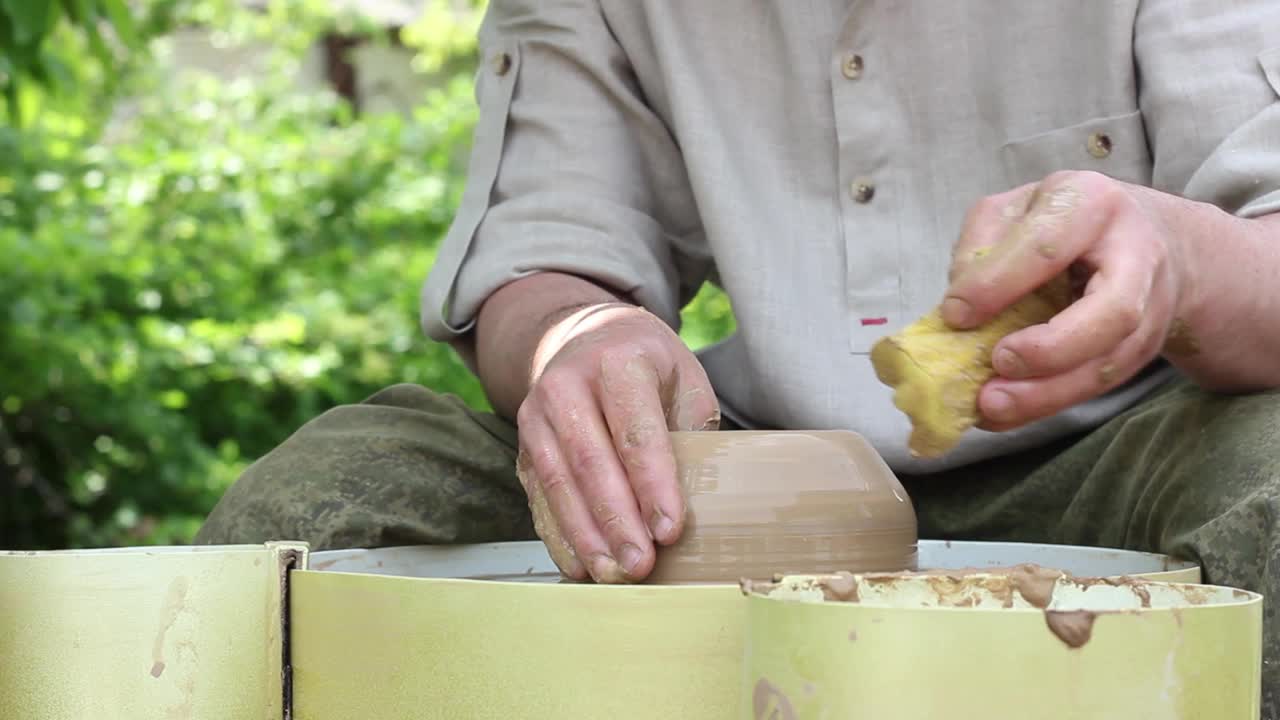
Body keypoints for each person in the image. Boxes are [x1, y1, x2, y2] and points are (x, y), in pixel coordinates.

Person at [197, 0, 1280, 710]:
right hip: (725, 469)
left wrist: (1177, 265)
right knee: (337, 492)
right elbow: (547, 252)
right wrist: (585, 340)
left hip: (1120, 452)